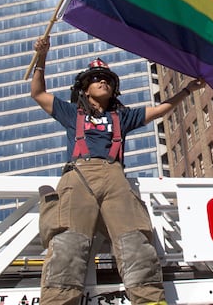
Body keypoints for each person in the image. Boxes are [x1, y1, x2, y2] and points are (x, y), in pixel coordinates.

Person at [30, 36, 203, 305]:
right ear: (85, 89)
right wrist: (41, 57)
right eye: (96, 79)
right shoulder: (71, 113)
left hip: (115, 178)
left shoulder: (122, 117)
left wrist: (188, 91)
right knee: (68, 244)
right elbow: (38, 93)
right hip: (78, 177)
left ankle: (150, 300)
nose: (103, 82)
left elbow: (160, 110)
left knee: (136, 241)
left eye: (108, 80)